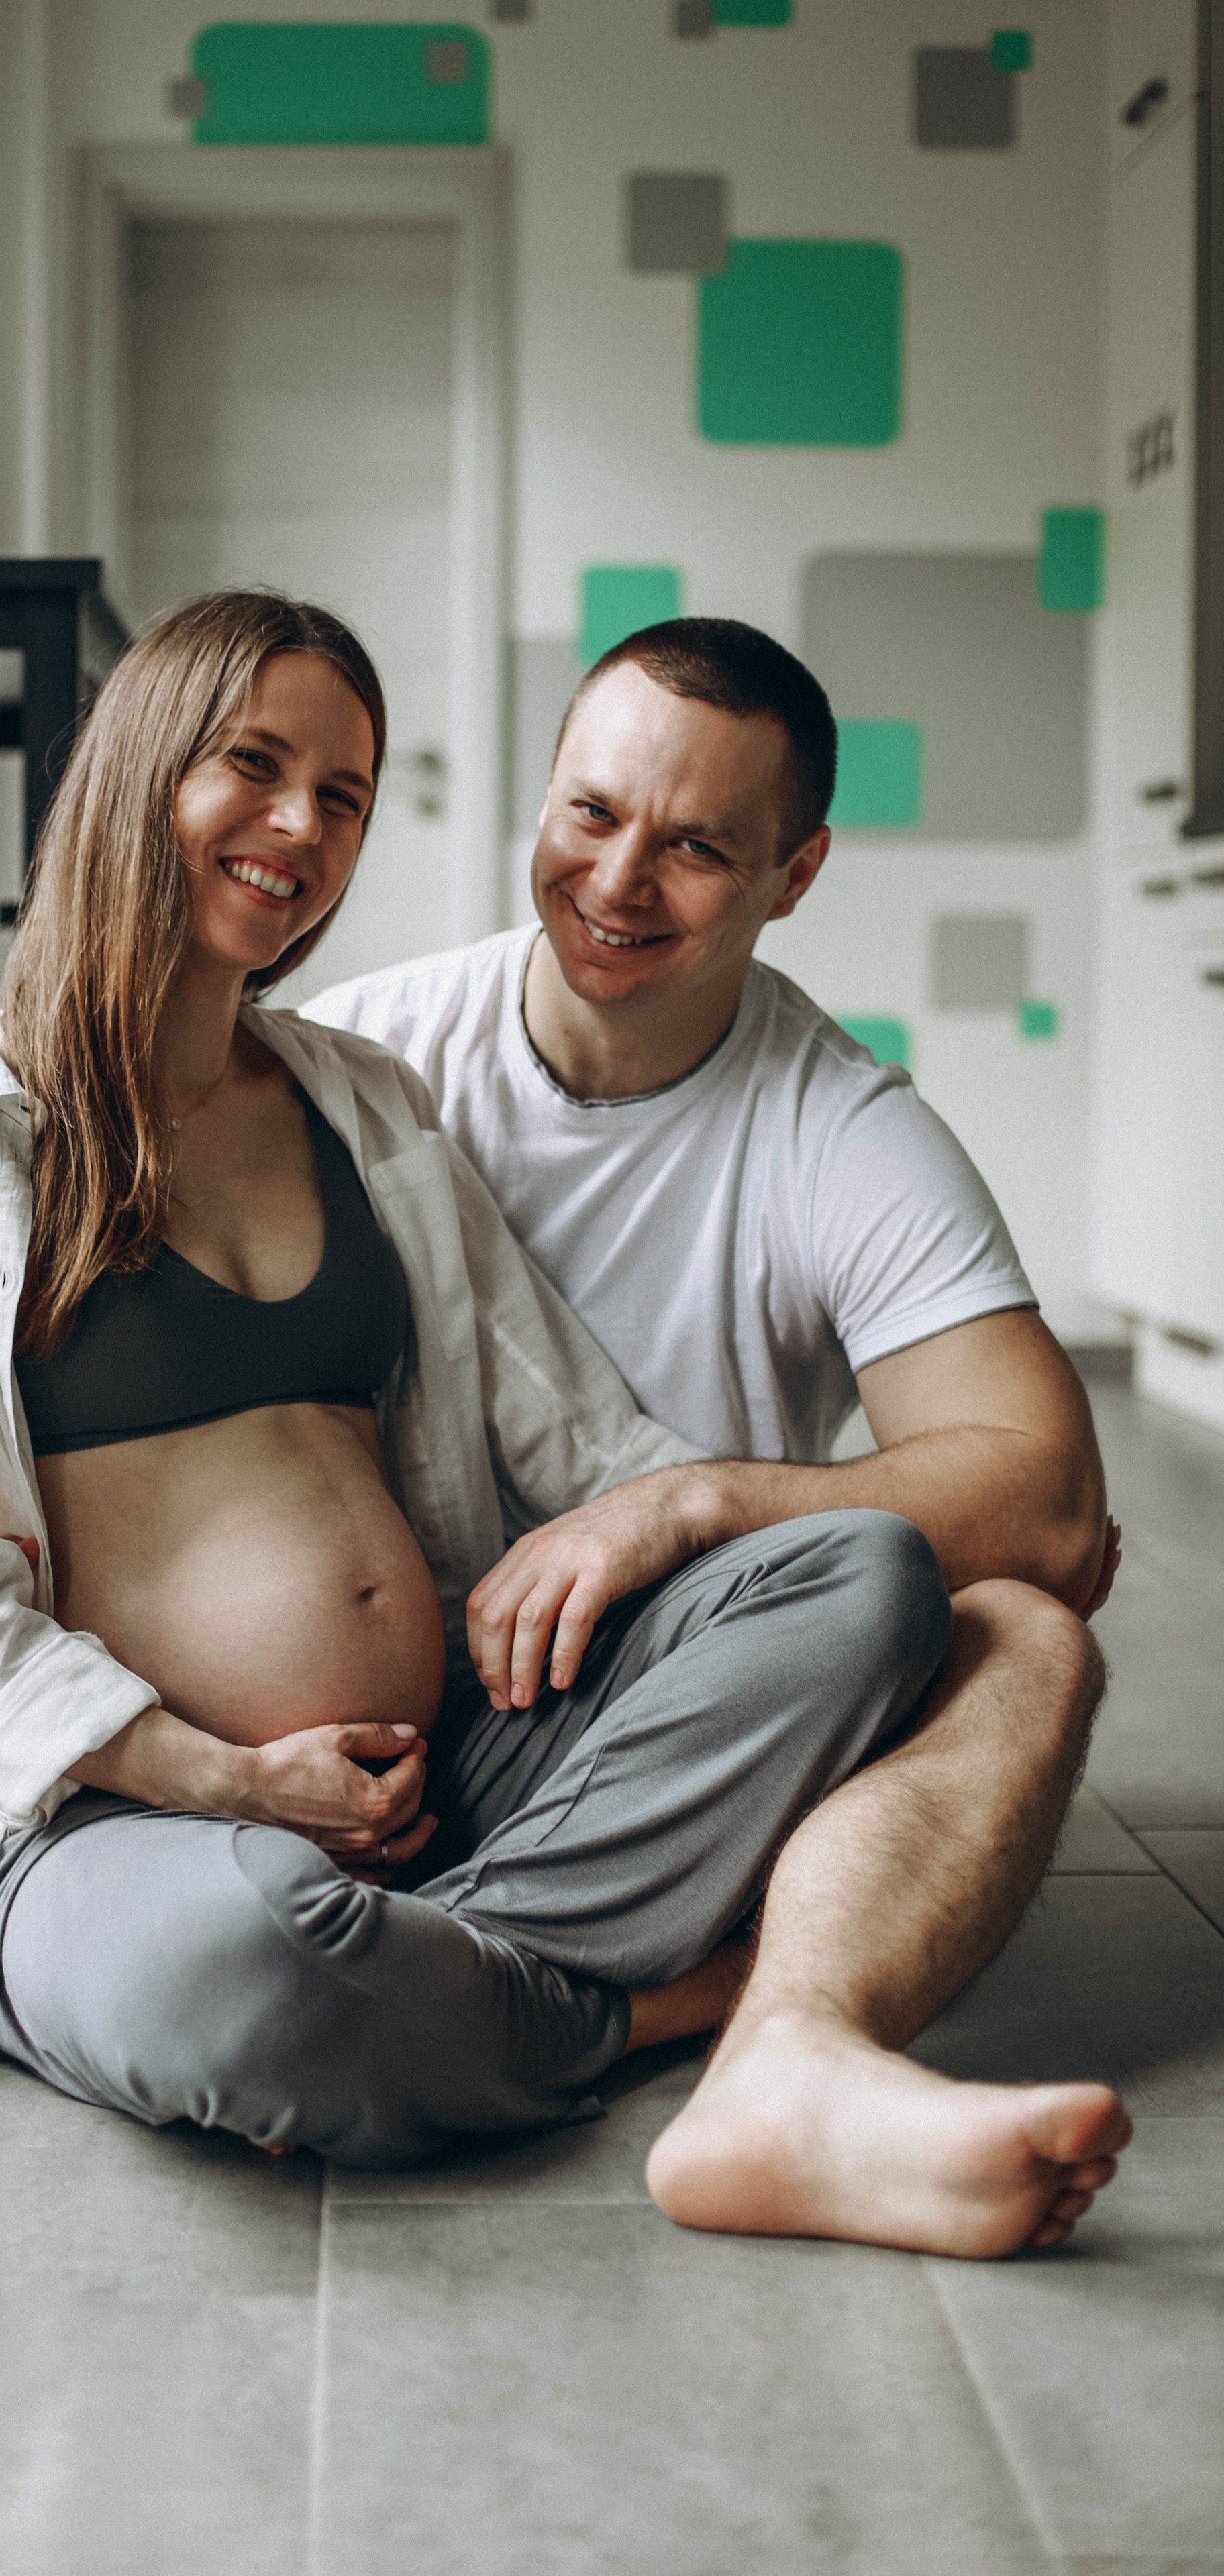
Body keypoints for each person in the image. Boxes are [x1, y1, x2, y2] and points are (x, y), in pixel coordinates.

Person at [0, 594, 1125, 2257]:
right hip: (133, 1820)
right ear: (143, 773)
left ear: (788, 874)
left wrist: (745, 1560)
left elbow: (577, 1434)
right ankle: (634, 2013)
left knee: (859, 1572)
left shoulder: (368, 1102)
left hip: (451, 1760)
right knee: (258, 1960)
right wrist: (219, 1778)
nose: (300, 826)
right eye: (256, 766)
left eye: (341, 795)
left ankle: (434, 1993)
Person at [305, 615, 1127, 2242]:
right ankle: (594, 1998)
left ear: (794, 872)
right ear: (540, 794)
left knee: (1027, 1633)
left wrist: (680, 1507)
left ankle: (783, 2055)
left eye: (693, 848)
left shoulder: (838, 1122)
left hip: (704, 1719)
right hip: (375, 1724)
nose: (617, 884)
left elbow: (1045, 1500)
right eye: (590, 814)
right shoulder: (363, 1058)